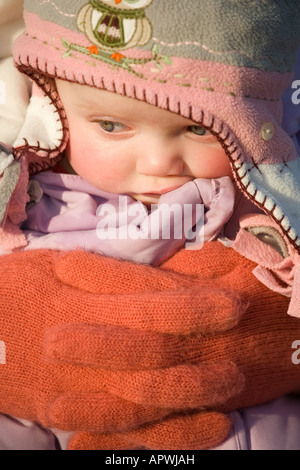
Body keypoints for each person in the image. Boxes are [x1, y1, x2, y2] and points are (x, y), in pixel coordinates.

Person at [0, 0, 300, 450]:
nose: (159, 163)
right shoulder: (21, 188)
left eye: (199, 129)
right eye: (111, 125)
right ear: (53, 107)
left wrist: (274, 335)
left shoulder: (272, 192)